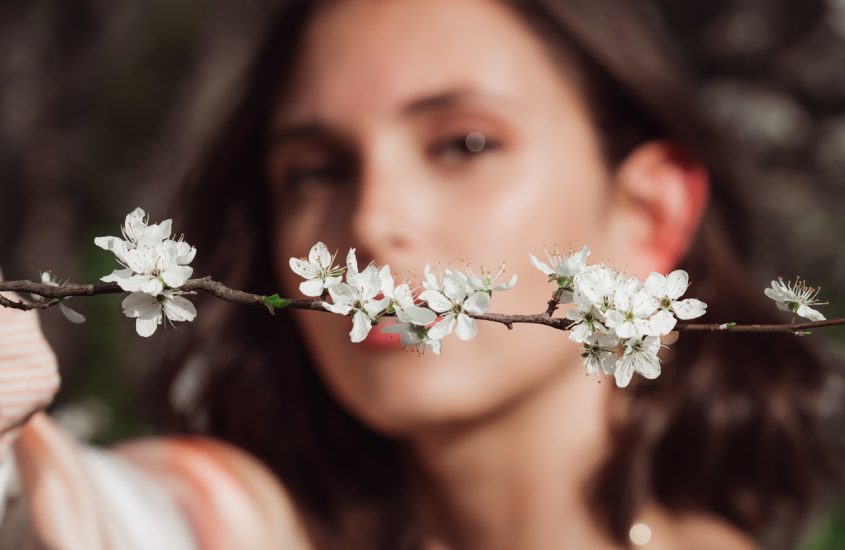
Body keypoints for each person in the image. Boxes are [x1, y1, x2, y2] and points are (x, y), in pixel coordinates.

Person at [0, 0, 835, 548]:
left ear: (649, 212)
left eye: (464, 144)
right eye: (316, 171)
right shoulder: (235, 519)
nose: (371, 220)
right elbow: (87, 510)